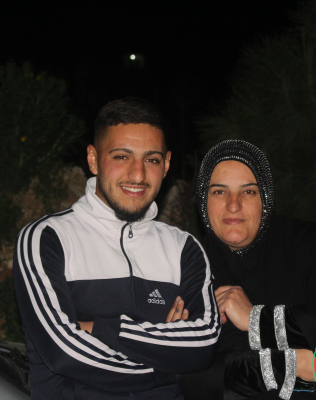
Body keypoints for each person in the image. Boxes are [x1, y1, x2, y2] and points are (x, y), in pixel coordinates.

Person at [13, 97, 220, 399]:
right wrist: (170, 364)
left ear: (166, 164)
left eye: (151, 160)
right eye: (122, 157)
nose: (138, 175)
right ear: (93, 159)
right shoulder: (46, 238)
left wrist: (100, 329)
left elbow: (203, 345)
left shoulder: (185, 248)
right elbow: (63, 353)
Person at [181, 139, 316, 399]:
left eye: (248, 191)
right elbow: (193, 377)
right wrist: (296, 363)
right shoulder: (189, 266)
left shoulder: (310, 243)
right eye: (219, 192)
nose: (233, 204)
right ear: (203, 201)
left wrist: (255, 320)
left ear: (265, 197)